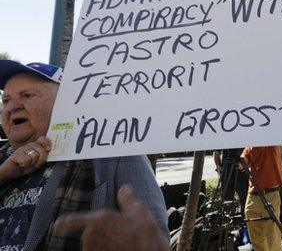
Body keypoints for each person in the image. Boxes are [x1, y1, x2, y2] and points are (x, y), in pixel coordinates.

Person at [0, 60, 168, 250]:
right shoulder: (3, 161)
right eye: (6, 100)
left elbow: (153, 238)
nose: (12, 107)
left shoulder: (114, 153)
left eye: (27, 95)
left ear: (66, 102)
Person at [241, 145, 282, 251]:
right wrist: (241, 161)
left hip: (270, 194)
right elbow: (244, 159)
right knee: (256, 238)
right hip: (253, 195)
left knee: (272, 236)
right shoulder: (250, 145)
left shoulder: (272, 141)